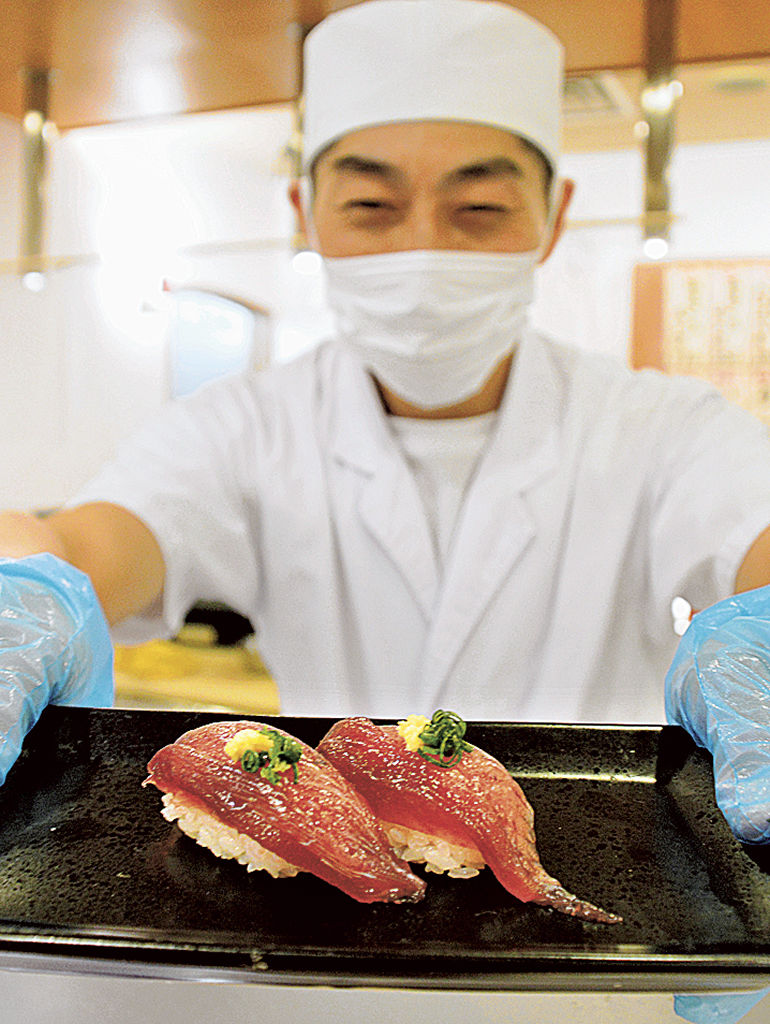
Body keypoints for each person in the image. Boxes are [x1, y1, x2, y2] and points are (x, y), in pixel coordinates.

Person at [3, 0, 770, 846]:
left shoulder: (660, 424)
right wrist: (25, 586)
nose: (422, 250)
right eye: (371, 204)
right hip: (329, 867)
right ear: (306, 212)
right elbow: (83, 546)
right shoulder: (242, 425)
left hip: (604, 859)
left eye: (479, 208)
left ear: (553, 217)